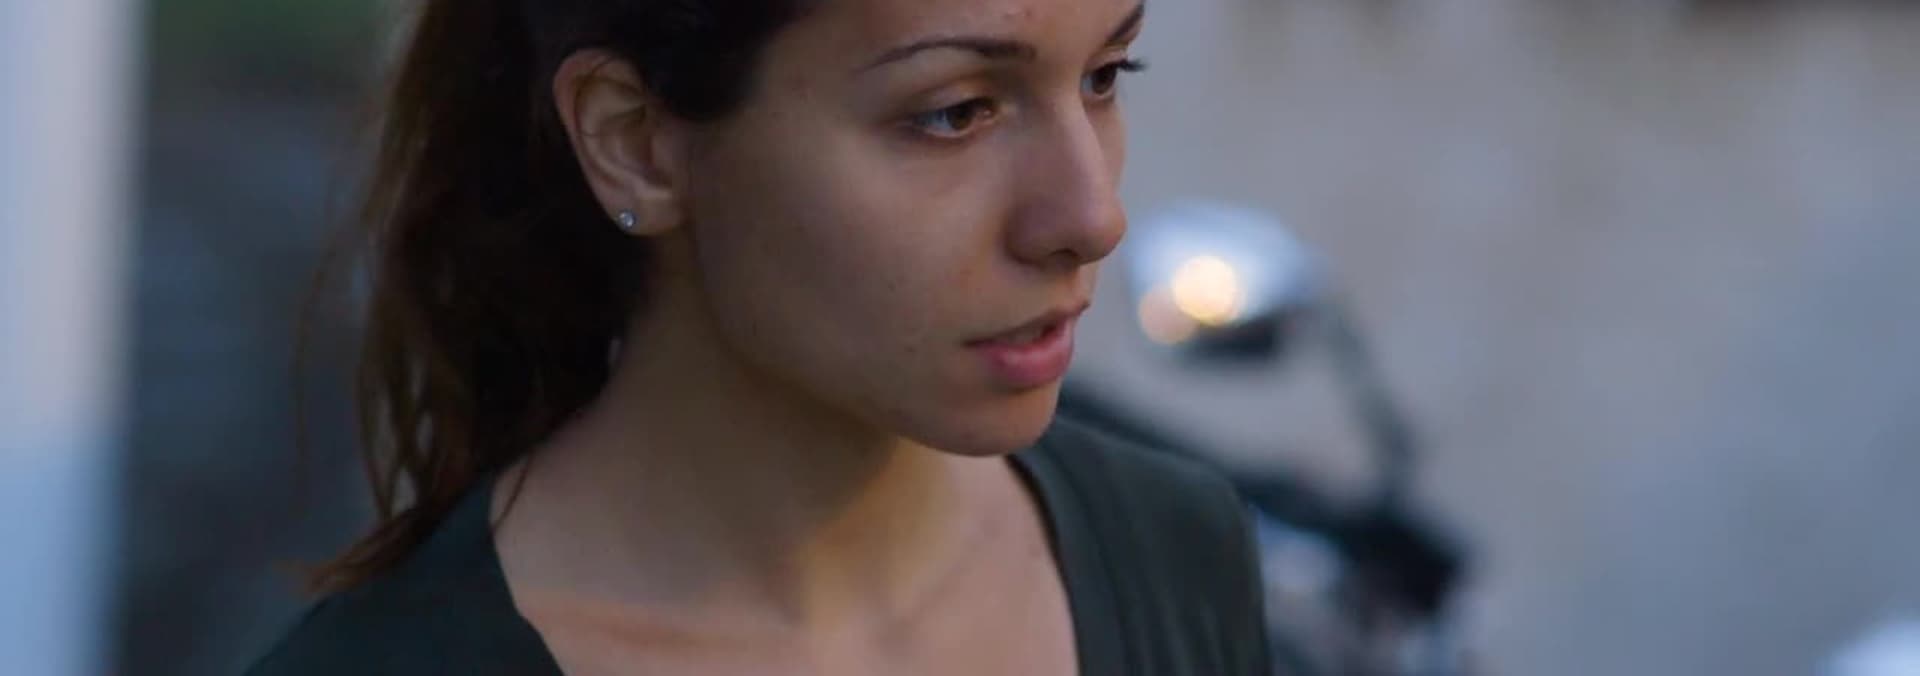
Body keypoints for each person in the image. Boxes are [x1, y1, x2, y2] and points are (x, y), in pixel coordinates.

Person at [249, 0, 1270, 673]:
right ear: (634, 142)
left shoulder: (1174, 553)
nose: (1091, 217)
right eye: (956, 112)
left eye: (1104, 76)